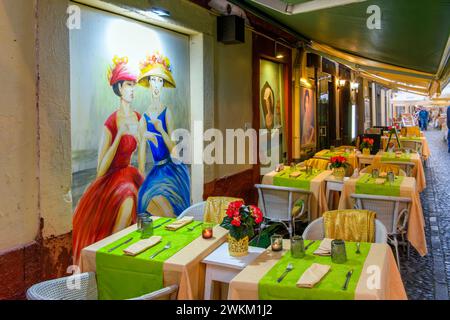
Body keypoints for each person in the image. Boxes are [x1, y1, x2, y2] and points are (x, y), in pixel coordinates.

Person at [72, 57, 144, 265]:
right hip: (111, 179)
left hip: (130, 175)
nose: (132, 90)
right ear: (120, 88)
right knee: (128, 195)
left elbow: (140, 158)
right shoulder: (111, 122)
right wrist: (119, 135)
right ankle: (111, 258)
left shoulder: (138, 118)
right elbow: (100, 170)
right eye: (129, 85)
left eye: (134, 85)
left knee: (143, 196)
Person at [137, 52, 191, 217]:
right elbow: (140, 160)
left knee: (170, 212)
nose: (156, 84)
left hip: (172, 169)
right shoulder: (144, 118)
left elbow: (174, 151)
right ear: (148, 83)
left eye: (160, 80)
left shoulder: (167, 112)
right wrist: (144, 137)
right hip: (156, 170)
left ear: (162, 85)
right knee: (144, 200)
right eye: (153, 79)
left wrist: (161, 130)